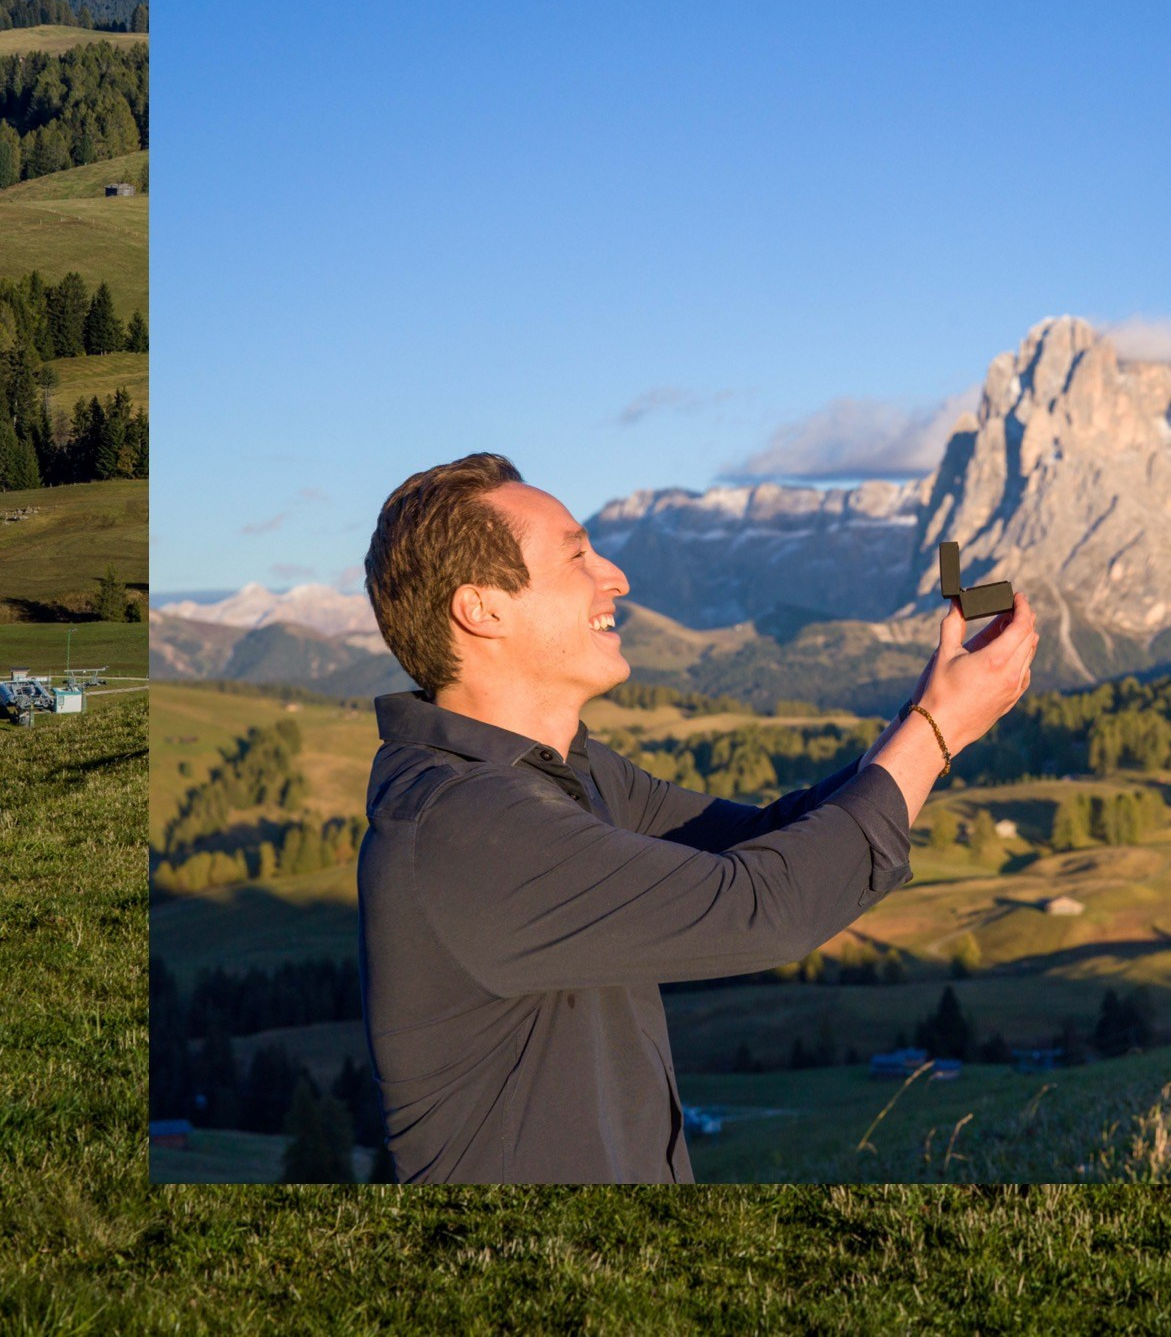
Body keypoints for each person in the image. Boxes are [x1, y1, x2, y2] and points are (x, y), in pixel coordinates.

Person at [356, 452, 1037, 1183]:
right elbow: (762, 909)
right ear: (482, 608)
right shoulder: (461, 827)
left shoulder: (567, 777)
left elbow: (767, 841)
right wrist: (937, 732)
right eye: (578, 555)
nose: (615, 577)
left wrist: (925, 715)